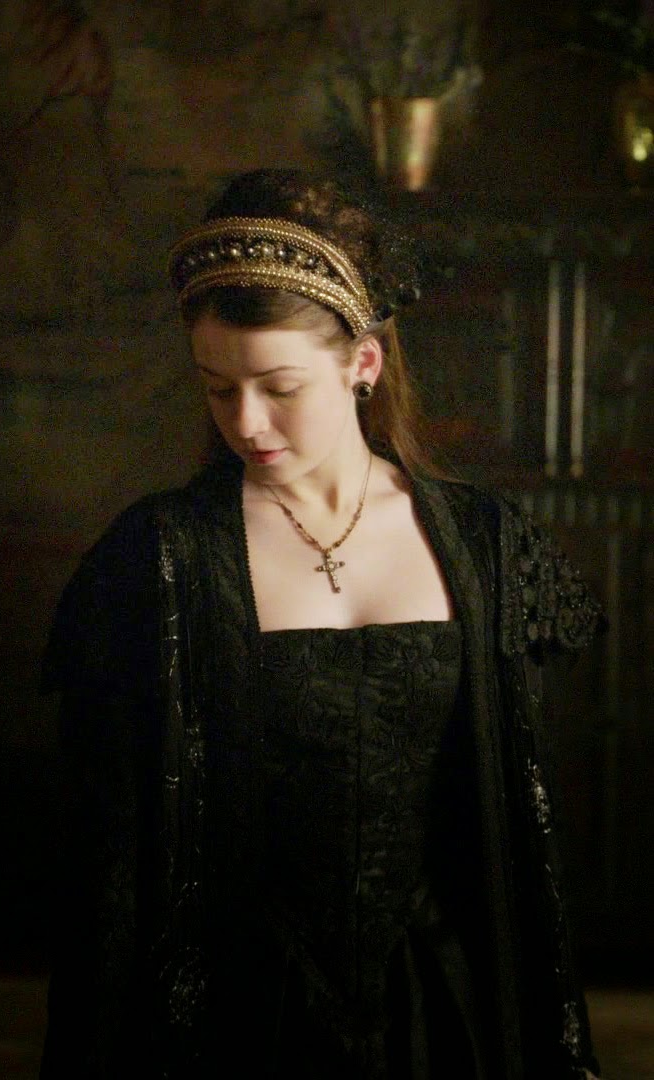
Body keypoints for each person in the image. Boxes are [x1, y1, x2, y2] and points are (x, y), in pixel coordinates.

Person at [40, 169, 605, 1079]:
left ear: (362, 364)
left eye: (279, 386)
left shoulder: (486, 543)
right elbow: (106, 860)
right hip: (237, 1021)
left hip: (442, 1009)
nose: (247, 422)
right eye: (218, 389)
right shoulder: (158, 556)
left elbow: (507, 825)